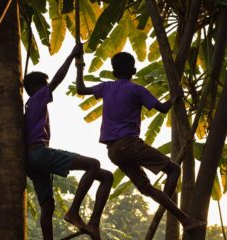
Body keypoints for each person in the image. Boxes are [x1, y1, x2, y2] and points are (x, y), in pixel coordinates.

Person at [76, 51, 205, 230]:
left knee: (146, 188)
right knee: (174, 170)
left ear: (114, 73)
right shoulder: (137, 89)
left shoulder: (106, 87)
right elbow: (162, 108)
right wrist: (174, 98)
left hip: (113, 152)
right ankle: (168, 208)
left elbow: (80, 89)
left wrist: (79, 65)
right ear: (134, 70)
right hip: (130, 145)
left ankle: (185, 220)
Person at [24, 44, 113, 240]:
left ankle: (91, 224)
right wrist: (72, 56)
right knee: (93, 164)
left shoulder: (31, 106)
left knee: (105, 177)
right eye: (44, 86)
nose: (48, 91)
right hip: (39, 153)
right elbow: (56, 80)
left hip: (33, 161)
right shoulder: (37, 99)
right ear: (36, 88)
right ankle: (73, 211)